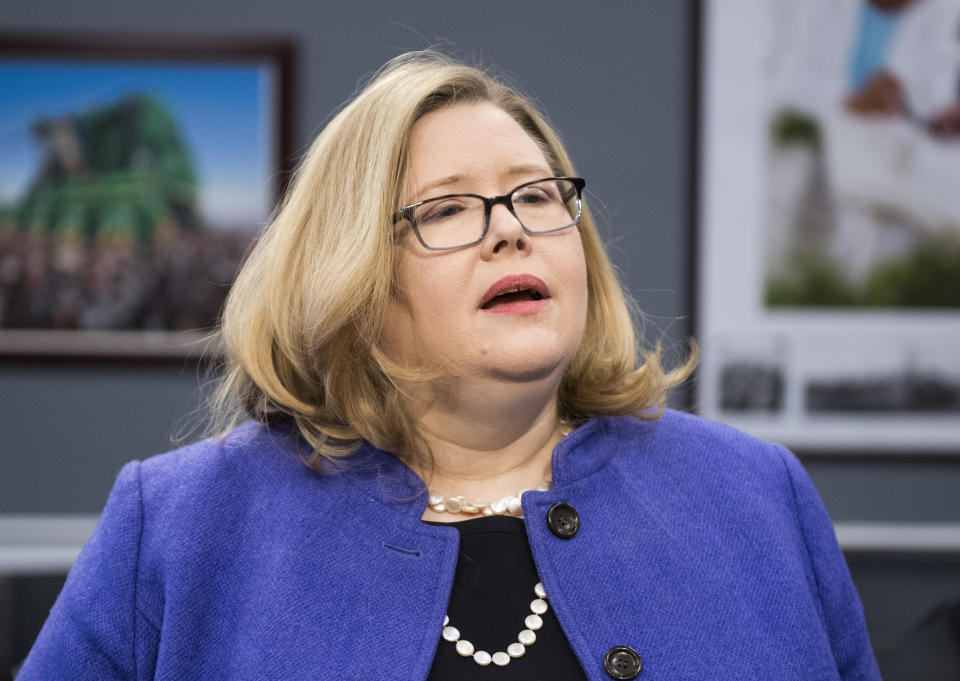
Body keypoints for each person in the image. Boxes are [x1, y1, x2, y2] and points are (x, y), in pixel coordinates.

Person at [17, 51, 881, 680]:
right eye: (449, 208)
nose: (512, 228)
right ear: (351, 273)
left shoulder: (759, 494)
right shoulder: (174, 524)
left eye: (537, 194)